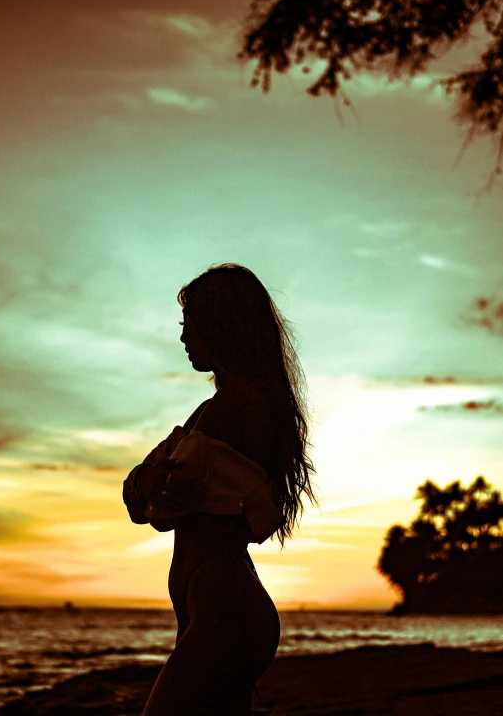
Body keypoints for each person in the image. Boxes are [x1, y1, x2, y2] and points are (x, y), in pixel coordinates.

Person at [123, 263, 318, 715]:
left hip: (223, 610)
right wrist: (144, 486)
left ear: (218, 324)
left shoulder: (238, 410)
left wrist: (145, 484)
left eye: (188, 324)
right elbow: (145, 499)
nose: (183, 337)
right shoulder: (214, 411)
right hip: (215, 610)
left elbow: (154, 506)